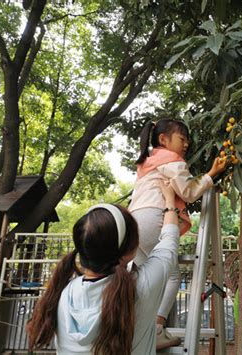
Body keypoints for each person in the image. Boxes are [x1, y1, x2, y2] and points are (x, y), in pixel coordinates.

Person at [27, 182, 180, 355]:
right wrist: (169, 201)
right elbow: (170, 240)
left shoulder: (65, 293)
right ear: (130, 250)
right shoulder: (142, 286)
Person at [129, 118, 227, 349]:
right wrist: (211, 174)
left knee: (145, 278)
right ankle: (158, 327)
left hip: (134, 222)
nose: (186, 145)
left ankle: (140, 327)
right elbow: (188, 191)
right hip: (155, 217)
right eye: (182, 139)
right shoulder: (172, 160)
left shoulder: (148, 161)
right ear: (164, 139)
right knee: (172, 276)